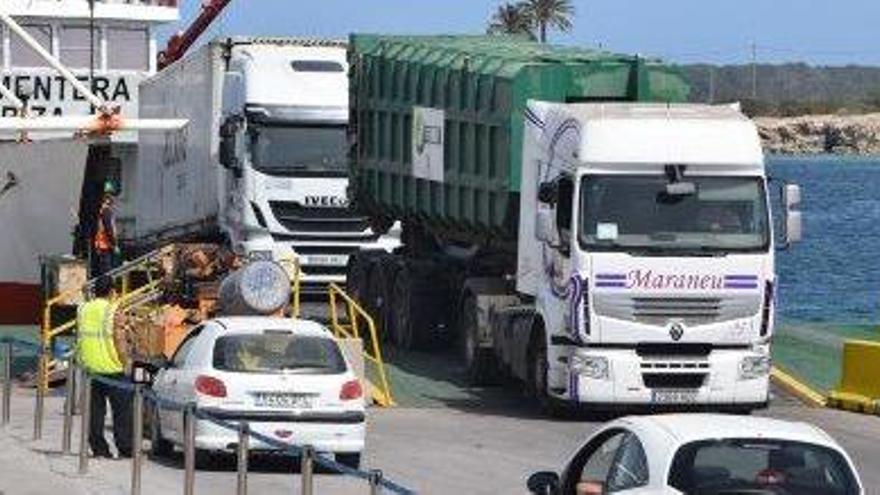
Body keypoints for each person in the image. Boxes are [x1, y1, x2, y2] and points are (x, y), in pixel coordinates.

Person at [76, 276, 132, 459]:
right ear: (111, 291)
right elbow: (119, 340)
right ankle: (125, 448)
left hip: (91, 368)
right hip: (113, 368)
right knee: (122, 413)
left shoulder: (83, 309)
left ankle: (99, 449)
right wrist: (126, 363)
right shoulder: (114, 310)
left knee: (95, 414)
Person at [93, 181, 120, 278]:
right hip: (105, 245)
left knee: (102, 270)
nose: (113, 198)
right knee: (107, 272)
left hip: (101, 245)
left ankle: (104, 290)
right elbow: (109, 229)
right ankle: (104, 292)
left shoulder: (100, 210)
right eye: (111, 195)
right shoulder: (106, 211)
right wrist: (114, 245)